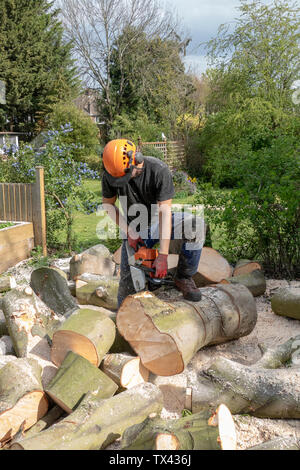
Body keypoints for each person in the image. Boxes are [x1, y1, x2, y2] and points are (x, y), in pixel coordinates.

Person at [101, 139, 205, 309]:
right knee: (128, 288)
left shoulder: (159, 170)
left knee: (196, 225)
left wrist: (163, 256)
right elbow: (108, 204)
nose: (122, 181)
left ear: (137, 158)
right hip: (135, 226)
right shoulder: (111, 172)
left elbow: (165, 214)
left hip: (160, 219)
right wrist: (129, 232)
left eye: (126, 176)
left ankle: (184, 277)